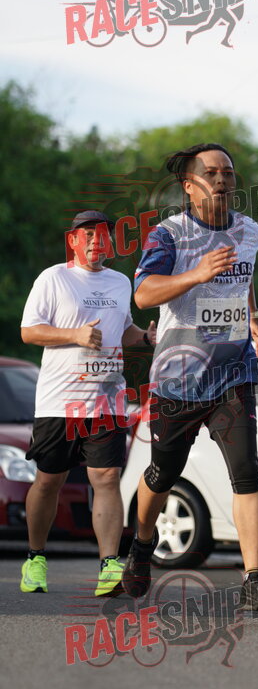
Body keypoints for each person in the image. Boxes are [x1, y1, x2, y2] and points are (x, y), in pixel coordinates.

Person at [122, 143, 258, 611]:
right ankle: (141, 545)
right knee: (163, 473)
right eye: (211, 173)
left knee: (247, 471)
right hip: (178, 376)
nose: (221, 180)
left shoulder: (249, 230)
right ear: (188, 185)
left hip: (233, 372)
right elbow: (144, 294)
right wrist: (195, 275)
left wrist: (253, 319)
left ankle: (254, 579)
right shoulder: (169, 234)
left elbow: (243, 278)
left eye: (228, 173)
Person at [20, 210, 157, 596]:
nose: (98, 241)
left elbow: (122, 330)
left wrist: (144, 338)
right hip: (60, 400)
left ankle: (109, 565)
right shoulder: (53, 278)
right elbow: (29, 331)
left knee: (107, 478)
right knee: (49, 480)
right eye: (89, 235)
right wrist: (75, 336)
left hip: (107, 399)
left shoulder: (119, 282)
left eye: (104, 235)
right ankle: (35, 556)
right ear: (73, 241)